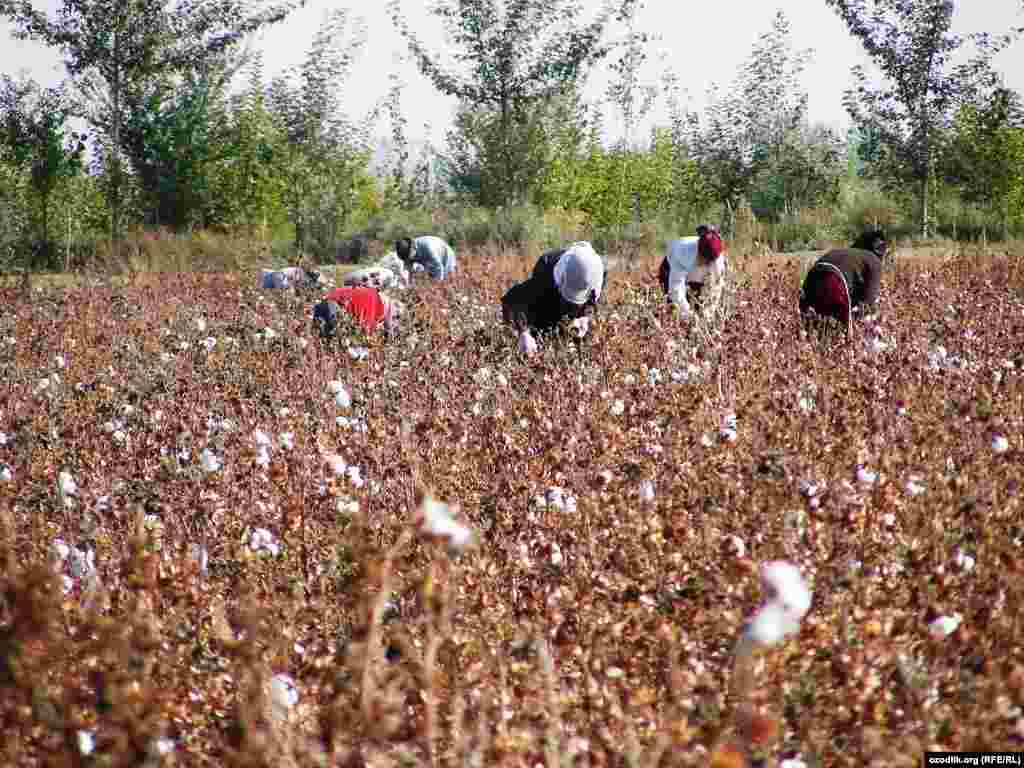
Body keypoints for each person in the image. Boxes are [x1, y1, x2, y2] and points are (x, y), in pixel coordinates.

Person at [501, 241, 606, 355]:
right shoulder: (545, 269)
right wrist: (523, 333)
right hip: (546, 310)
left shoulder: (597, 277)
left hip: (572, 324)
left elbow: (591, 304)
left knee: (588, 341)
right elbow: (512, 300)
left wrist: (584, 317)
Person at [799, 228, 886, 336]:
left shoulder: (841, 252)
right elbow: (868, 302)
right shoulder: (873, 260)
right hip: (834, 282)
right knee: (842, 333)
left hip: (812, 282)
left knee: (813, 331)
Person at [658, 224, 727, 318]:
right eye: (705, 260)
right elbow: (675, 289)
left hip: (694, 274)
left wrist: (708, 313)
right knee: (675, 310)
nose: (707, 264)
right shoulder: (681, 252)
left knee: (699, 307)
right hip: (670, 269)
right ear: (698, 251)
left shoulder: (718, 260)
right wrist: (688, 314)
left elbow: (716, 288)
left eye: (710, 262)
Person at [312, 286, 404, 339]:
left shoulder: (374, 295)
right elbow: (364, 332)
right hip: (334, 309)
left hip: (324, 305)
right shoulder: (376, 305)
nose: (394, 322)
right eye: (396, 317)